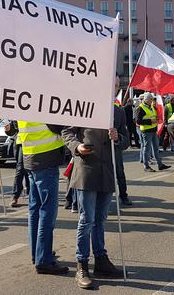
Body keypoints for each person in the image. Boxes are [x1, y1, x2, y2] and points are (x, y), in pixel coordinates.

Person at [62, 99, 129, 289]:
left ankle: (101, 259)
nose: (113, 88)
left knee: (100, 219)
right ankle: (82, 264)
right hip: (87, 171)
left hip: (107, 172)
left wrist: (118, 138)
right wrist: (77, 147)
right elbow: (66, 132)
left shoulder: (118, 112)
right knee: (87, 219)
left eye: (116, 85)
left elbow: (126, 140)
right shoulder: (83, 105)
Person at [17, 120, 68, 275]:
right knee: (47, 211)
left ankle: (37, 253)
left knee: (35, 210)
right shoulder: (42, 96)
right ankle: (44, 260)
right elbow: (56, 125)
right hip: (46, 158)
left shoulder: (25, 98)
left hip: (30, 156)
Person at [134, 93, 170, 172]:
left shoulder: (152, 107)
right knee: (147, 149)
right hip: (146, 131)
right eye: (151, 99)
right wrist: (150, 121)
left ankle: (160, 164)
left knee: (156, 148)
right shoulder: (140, 108)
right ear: (146, 100)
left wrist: (156, 119)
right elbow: (138, 121)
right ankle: (146, 166)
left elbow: (152, 116)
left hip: (153, 130)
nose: (152, 101)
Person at [4, 120, 28, 208]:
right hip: (21, 143)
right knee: (20, 169)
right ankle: (15, 196)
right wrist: (7, 128)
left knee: (30, 170)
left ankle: (29, 191)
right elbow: (12, 131)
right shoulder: (17, 113)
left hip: (36, 143)